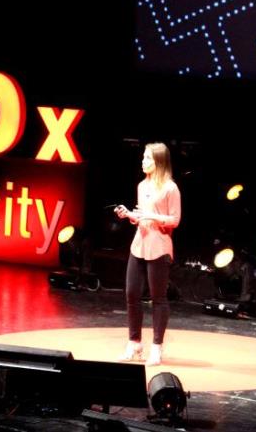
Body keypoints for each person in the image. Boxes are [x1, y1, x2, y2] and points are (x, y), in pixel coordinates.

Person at [114, 142, 181, 366]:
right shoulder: (142, 186)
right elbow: (142, 217)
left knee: (158, 298)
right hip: (139, 244)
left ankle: (156, 347)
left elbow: (174, 220)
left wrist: (152, 216)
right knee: (132, 293)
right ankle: (134, 343)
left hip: (159, 246)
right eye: (143, 157)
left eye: (148, 158)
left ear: (159, 162)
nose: (143, 161)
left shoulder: (170, 188)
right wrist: (130, 215)